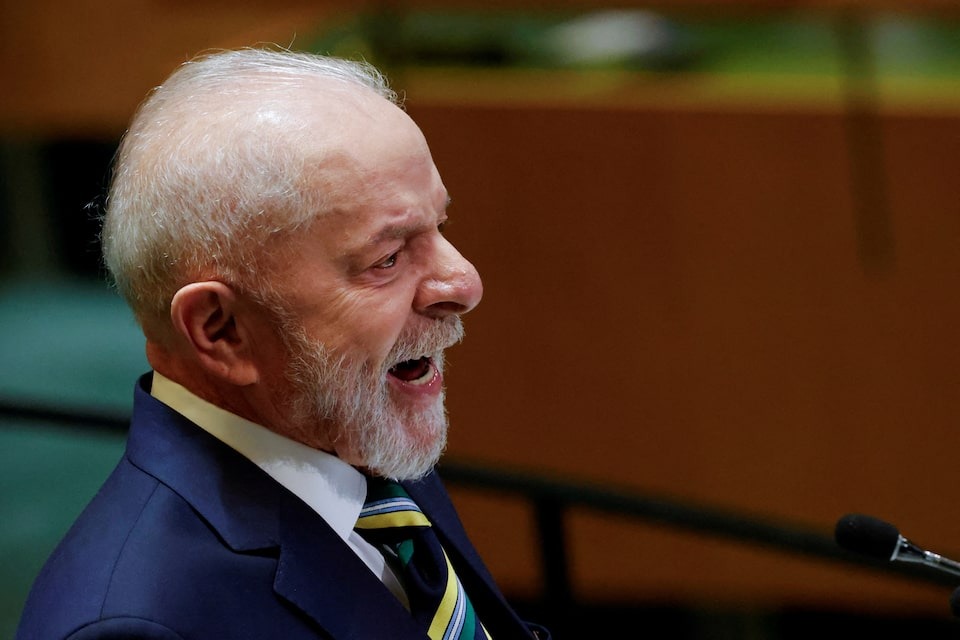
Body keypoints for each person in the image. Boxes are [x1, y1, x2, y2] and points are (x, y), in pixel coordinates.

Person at [16, 47, 550, 640]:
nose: (465, 284)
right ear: (222, 330)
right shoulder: (139, 623)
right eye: (388, 258)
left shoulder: (351, 429)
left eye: (440, 227)